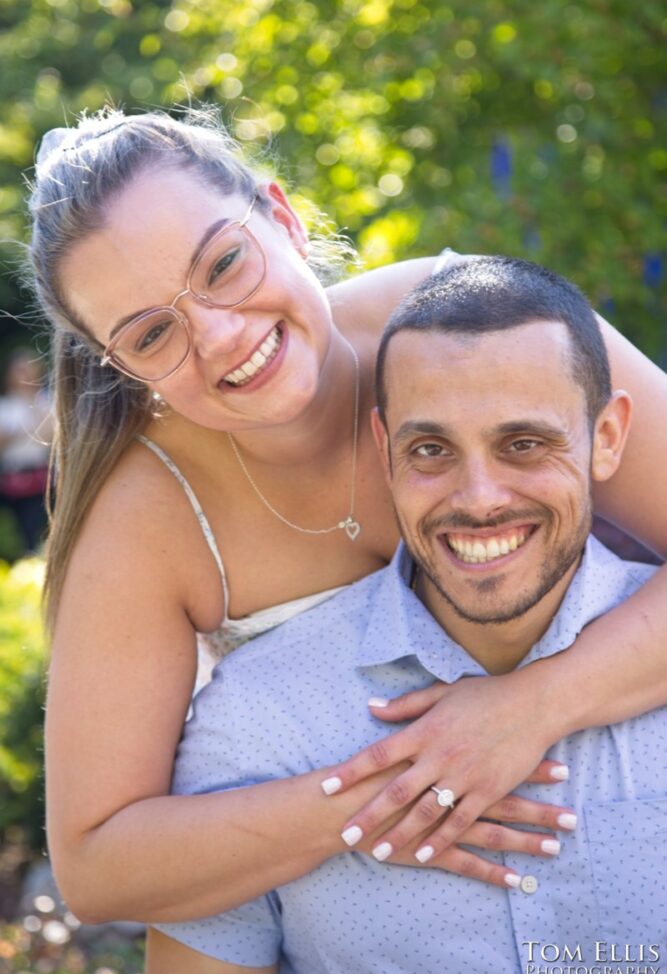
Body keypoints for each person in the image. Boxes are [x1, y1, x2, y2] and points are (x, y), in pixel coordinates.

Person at [30, 107, 667, 929]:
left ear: (284, 218)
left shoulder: (469, 321)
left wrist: (533, 705)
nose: (221, 337)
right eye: (154, 334)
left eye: (224, 263)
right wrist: (382, 799)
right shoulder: (144, 523)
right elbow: (96, 865)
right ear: (122, 368)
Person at [145, 258, 665, 974]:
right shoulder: (257, 726)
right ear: (384, 446)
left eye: (523, 444)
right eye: (431, 450)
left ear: (607, 435)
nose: (478, 498)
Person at [0, 349, 52, 553]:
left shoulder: (47, 401)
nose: (26, 375)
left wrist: (34, 403)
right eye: (20, 370)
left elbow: (52, 437)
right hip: (13, 479)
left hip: (42, 477)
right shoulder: (5, 406)